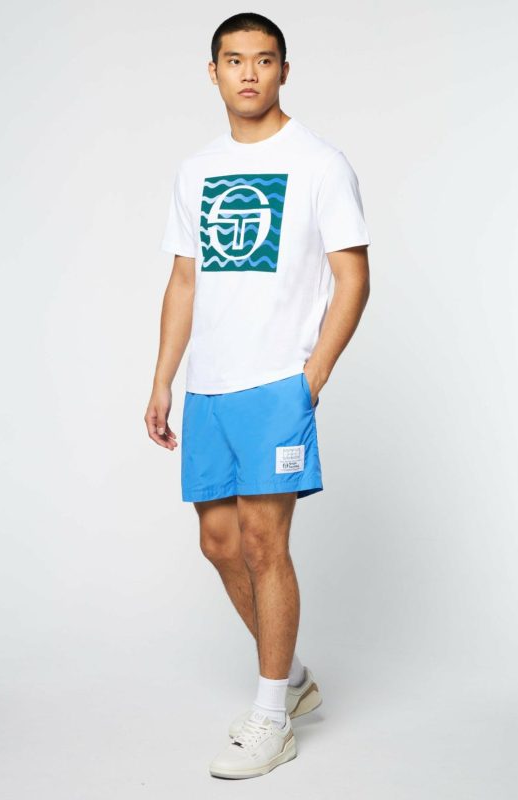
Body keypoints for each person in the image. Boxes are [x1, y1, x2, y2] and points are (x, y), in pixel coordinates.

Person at [145, 12, 371, 780]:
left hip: (275, 382)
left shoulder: (319, 163)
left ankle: (272, 717)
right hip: (208, 386)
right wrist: (163, 379)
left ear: (284, 70)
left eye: (264, 59)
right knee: (218, 543)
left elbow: (353, 277)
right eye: (235, 60)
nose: (249, 72)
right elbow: (184, 280)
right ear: (213, 72)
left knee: (265, 542)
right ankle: (296, 679)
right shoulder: (196, 169)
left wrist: (313, 376)